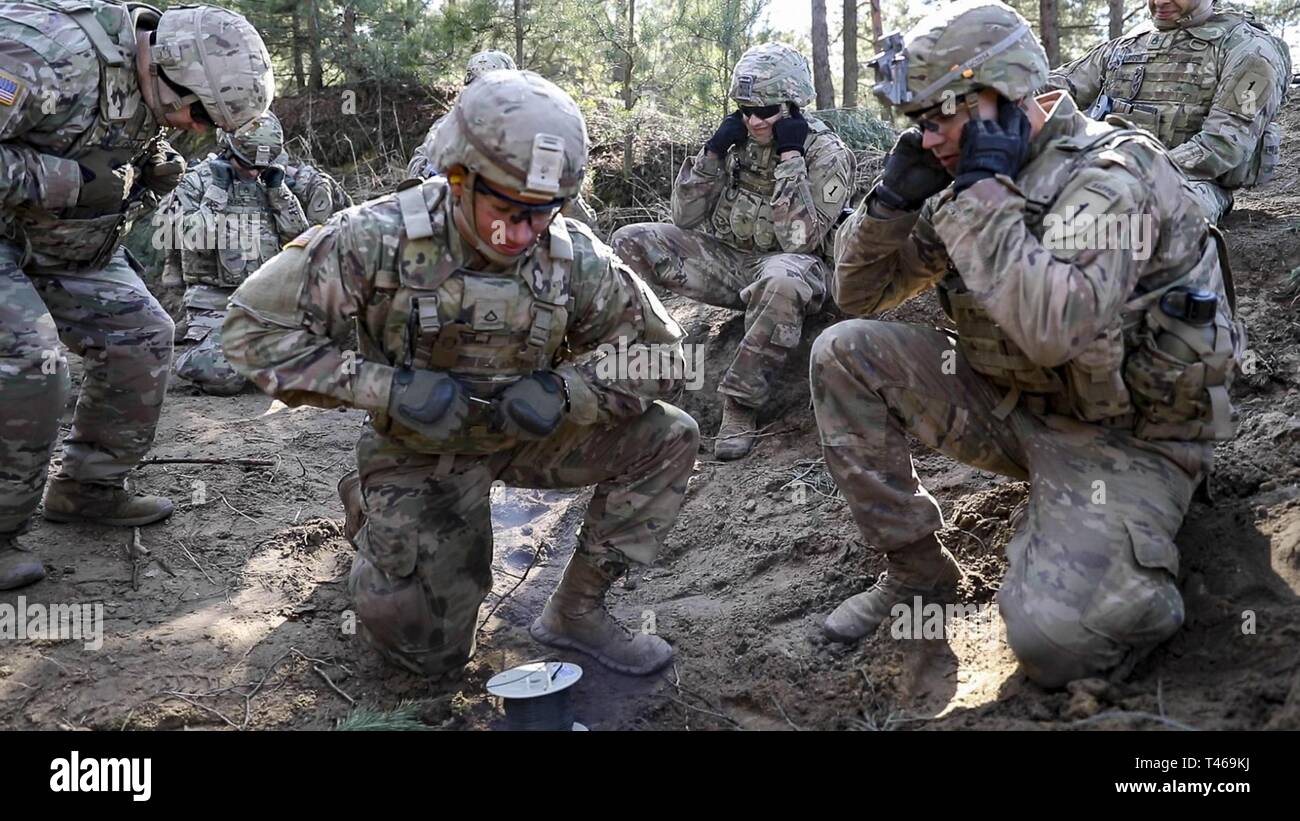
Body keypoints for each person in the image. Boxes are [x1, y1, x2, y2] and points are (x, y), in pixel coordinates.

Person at [816, 0, 1243, 687]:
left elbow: (1054, 330)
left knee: (1053, 642)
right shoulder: (963, 170)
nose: (928, 141)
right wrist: (888, 205)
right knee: (845, 350)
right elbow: (859, 295)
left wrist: (982, 195)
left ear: (998, 96)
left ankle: (1146, 562)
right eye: (918, 125)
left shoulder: (1111, 173)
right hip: (1016, 403)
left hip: (1126, 435)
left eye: (939, 119)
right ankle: (918, 576)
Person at [222, 70, 699, 679]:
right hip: (419, 450)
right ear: (458, 176)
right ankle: (377, 512)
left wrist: (565, 389)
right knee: (428, 658)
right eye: (505, 208)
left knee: (670, 437)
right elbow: (249, 335)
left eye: (543, 212)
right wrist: (386, 388)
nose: (522, 232)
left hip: (528, 435)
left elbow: (666, 360)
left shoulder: (573, 256)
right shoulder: (374, 240)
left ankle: (576, 612)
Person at [0, 0, 273, 590]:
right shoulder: (40, 51)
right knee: (29, 362)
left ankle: (86, 488)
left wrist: (150, 163)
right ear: (169, 66)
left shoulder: (151, 74)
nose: (197, 127)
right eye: (197, 112)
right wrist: (73, 181)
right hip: (16, 230)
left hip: (62, 240)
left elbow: (104, 137)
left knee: (143, 337)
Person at [611, 42, 855, 460]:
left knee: (780, 279)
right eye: (745, 109)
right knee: (630, 241)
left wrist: (791, 156)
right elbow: (684, 217)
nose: (753, 120)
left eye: (765, 110)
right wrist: (711, 154)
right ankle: (638, 375)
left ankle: (740, 405)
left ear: (794, 105)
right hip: (730, 260)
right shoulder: (736, 143)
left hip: (792, 266)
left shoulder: (825, 153)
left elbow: (799, 240)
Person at [1049, 0, 1291, 223]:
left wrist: (1137, 171)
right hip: (1109, 171)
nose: (1161, 1)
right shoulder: (1129, 44)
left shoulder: (1249, 50)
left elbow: (1224, 145)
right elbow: (1054, 86)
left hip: (1189, 183)